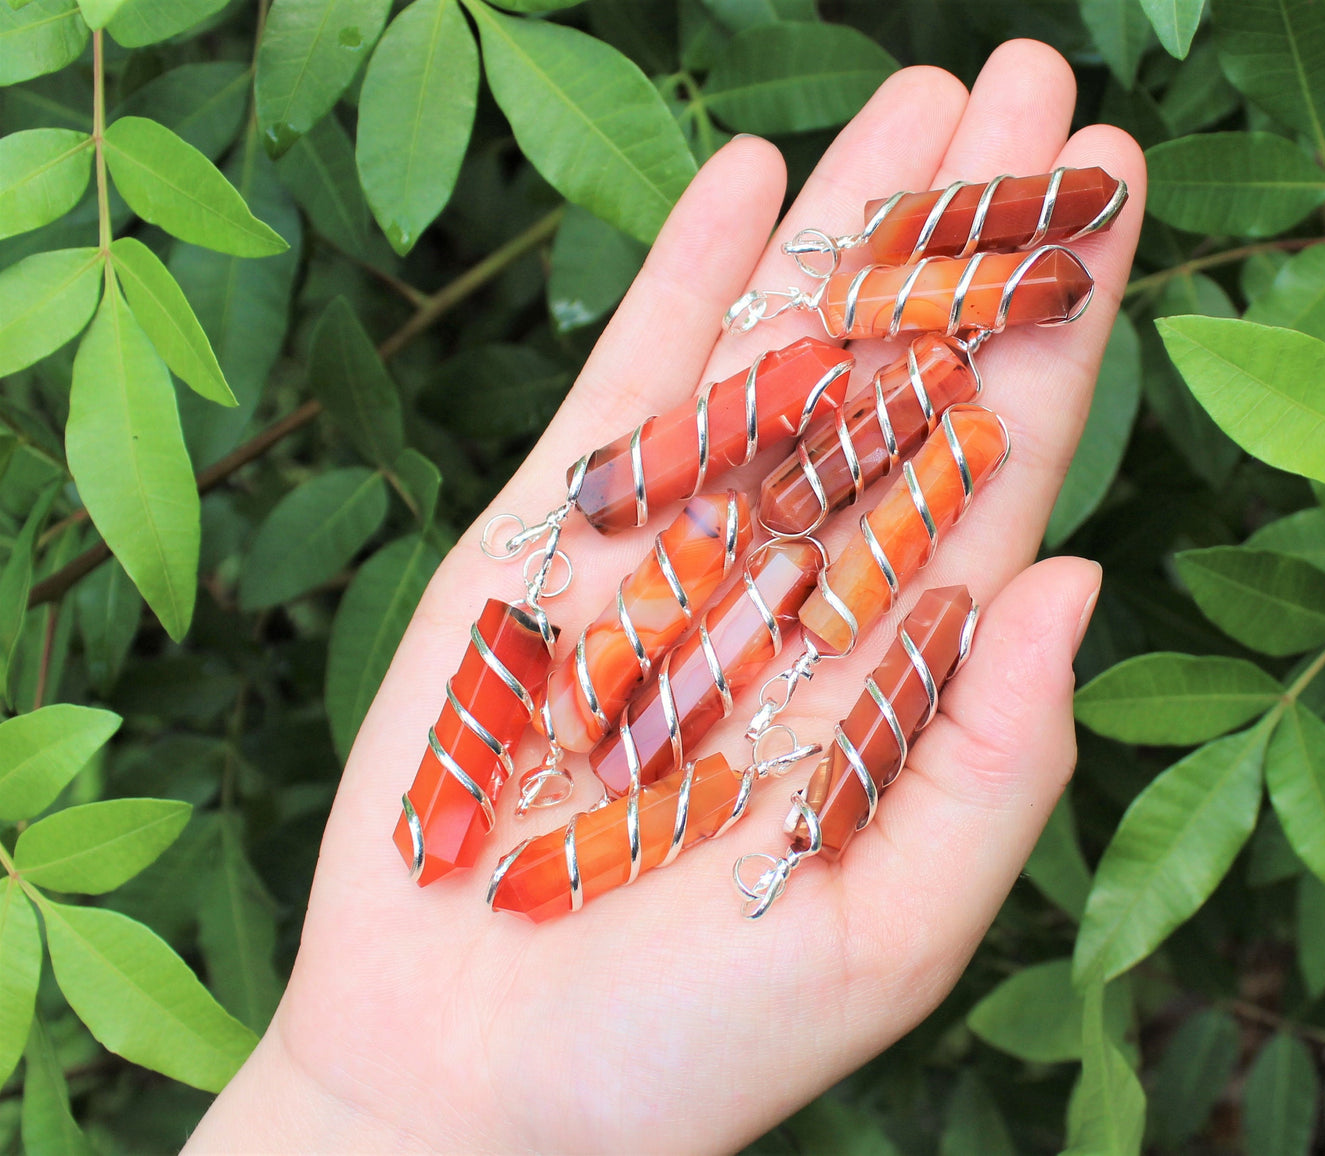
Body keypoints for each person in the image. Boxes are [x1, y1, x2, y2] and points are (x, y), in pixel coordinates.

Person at [183, 39, 1145, 1154]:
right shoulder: (758, 552)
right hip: (725, 616)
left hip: (788, 554)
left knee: (792, 555)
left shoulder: (853, 473)